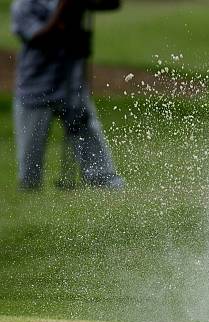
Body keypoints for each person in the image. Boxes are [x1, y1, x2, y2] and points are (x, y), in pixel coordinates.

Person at [11, 0, 124, 190]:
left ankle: (107, 185)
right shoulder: (24, 4)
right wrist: (66, 7)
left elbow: (112, 4)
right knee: (29, 176)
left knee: (102, 171)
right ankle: (30, 197)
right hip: (36, 90)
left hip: (73, 86)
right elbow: (40, 38)